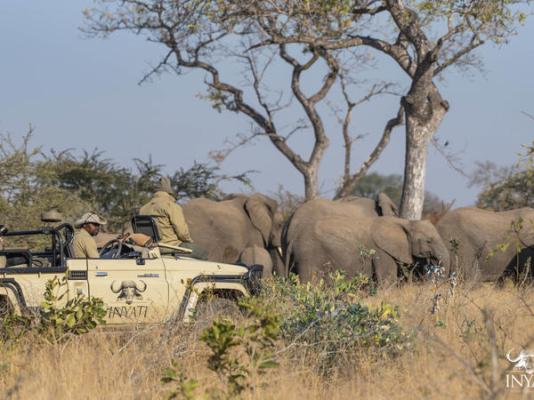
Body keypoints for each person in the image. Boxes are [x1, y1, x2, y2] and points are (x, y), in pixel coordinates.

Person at [140, 177, 207, 259]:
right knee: (203, 252)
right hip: (171, 247)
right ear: (169, 191)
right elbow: (182, 233)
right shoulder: (171, 206)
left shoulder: (143, 209)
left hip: (151, 248)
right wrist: (189, 241)